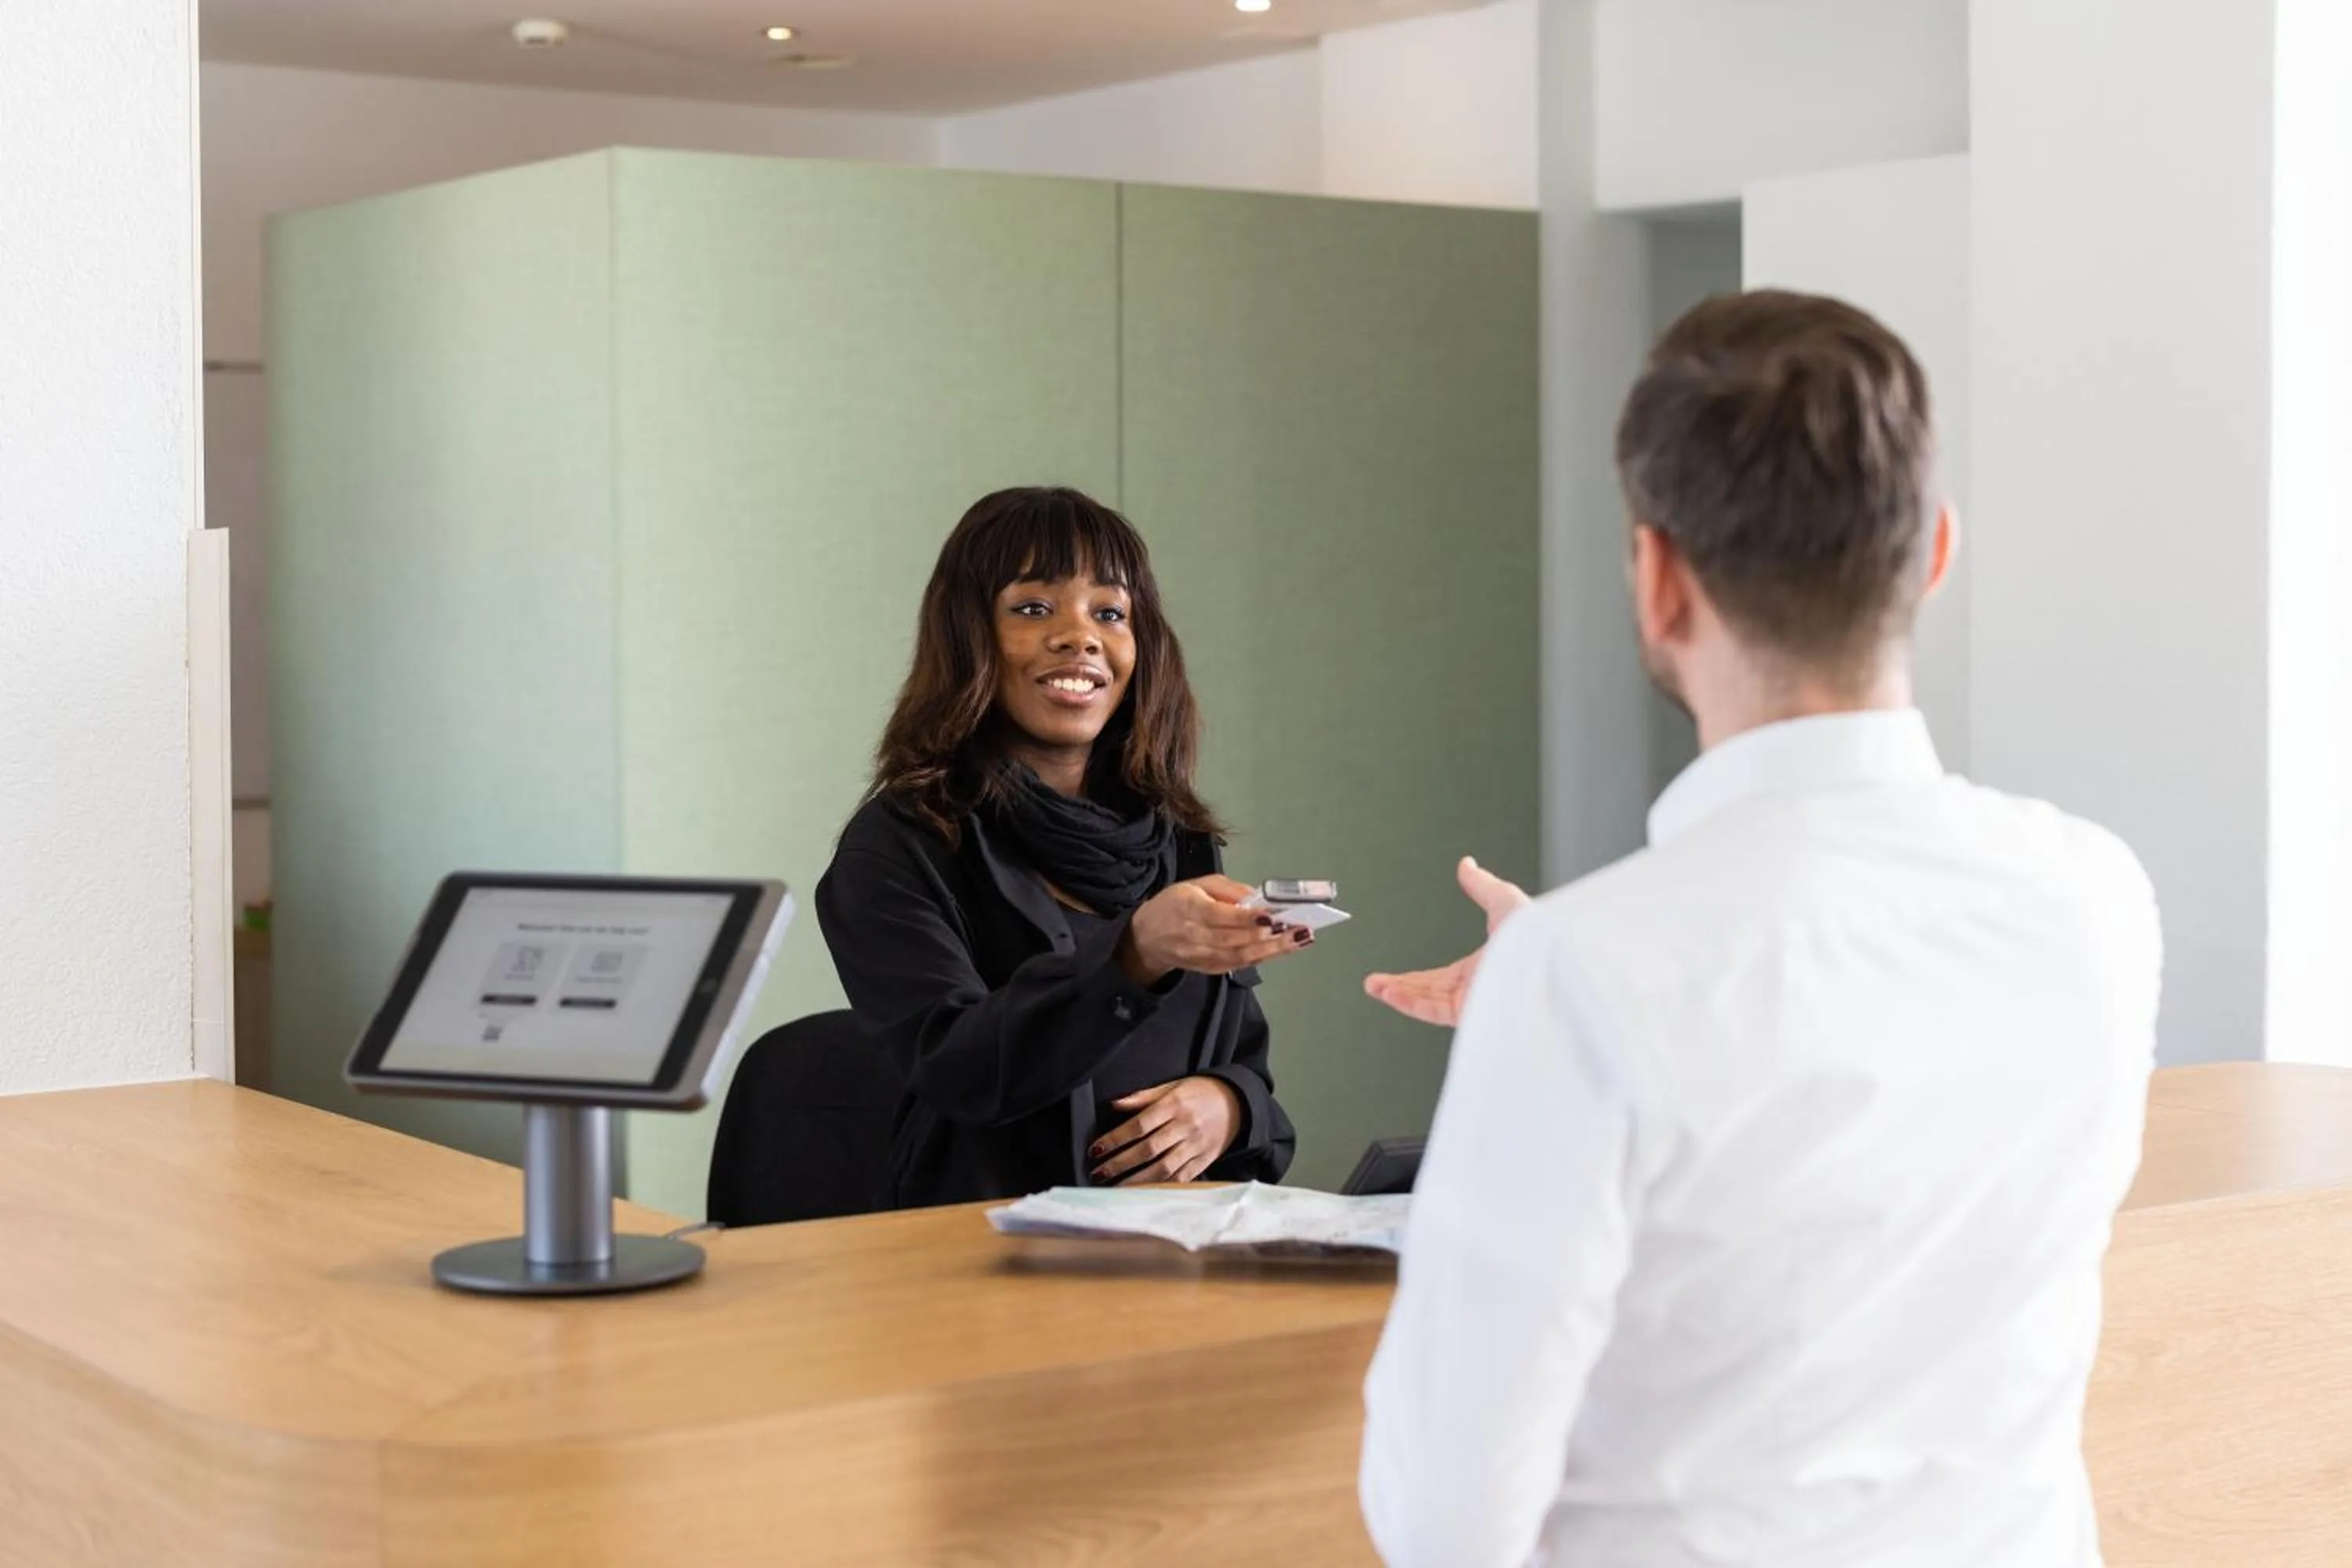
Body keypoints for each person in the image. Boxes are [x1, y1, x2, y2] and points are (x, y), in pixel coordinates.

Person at [1357, 292, 2163, 1567]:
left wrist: (1554, 996)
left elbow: (1446, 1521)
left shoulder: (1583, 977)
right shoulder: (2095, 895)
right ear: (1934, 551)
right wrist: (1561, 982)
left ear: (1658, 582)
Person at [815, 486, 1303, 1210]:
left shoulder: (1177, 838)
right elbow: (961, 1072)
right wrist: (1133, 954)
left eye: (1110, 613)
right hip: (981, 1242)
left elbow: (1250, 1075)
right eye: (1034, 608)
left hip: (1177, 1242)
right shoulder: (898, 844)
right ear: (969, 635)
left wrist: (1229, 1105)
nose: (1081, 637)